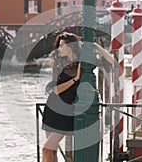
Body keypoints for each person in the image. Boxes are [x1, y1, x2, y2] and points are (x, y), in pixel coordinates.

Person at [42, 32, 114, 162]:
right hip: (52, 109)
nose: (59, 49)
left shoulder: (83, 62)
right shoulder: (59, 63)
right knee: (51, 151)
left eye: (62, 45)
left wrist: (96, 46)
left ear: (71, 46)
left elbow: (111, 60)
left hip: (66, 112)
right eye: (58, 45)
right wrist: (75, 79)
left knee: (46, 149)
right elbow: (56, 90)